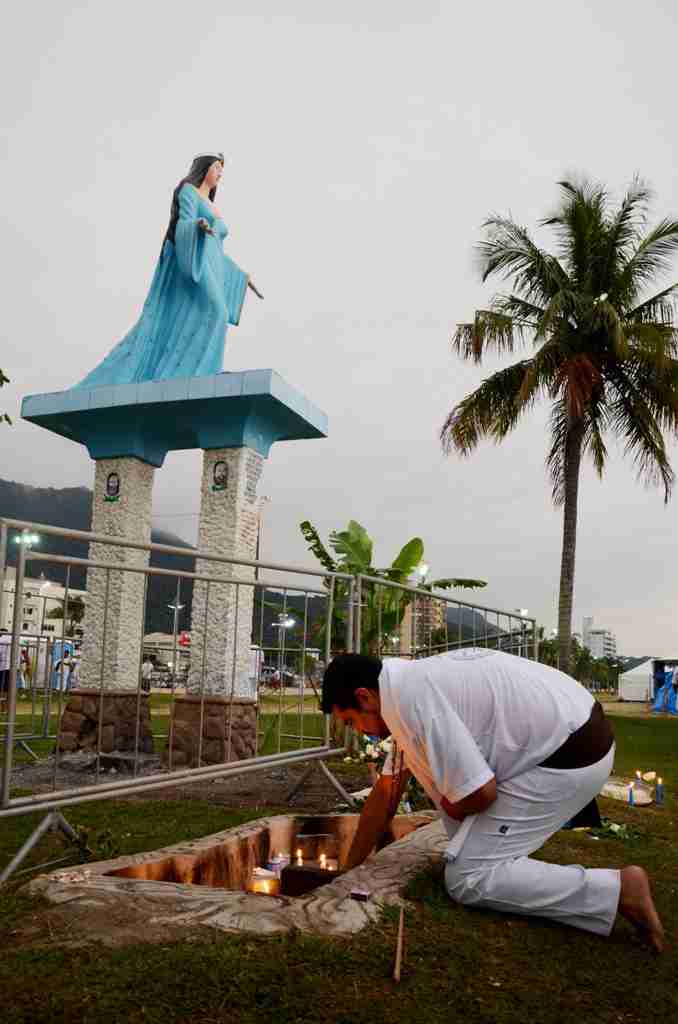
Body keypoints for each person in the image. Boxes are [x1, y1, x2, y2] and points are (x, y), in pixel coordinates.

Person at [322, 650, 664, 952]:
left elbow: (480, 796)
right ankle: (505, 861)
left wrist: (455, 803)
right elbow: (386, 792)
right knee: (460, 836)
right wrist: (350, 870)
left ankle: (617, 890)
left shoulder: (412, 699)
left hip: (570, 753)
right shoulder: (404, 688)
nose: (362, 732)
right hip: (571, 735)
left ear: (364, 696)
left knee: (467, 877)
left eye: (352, 721)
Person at [76, 152, 263, 388]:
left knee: (215, 314)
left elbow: (216, 247)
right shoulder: (188, 191)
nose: (220, 174)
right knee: (218, 311)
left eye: (221, 170)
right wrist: (195, 226)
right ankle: (190, 373)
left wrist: (240, 277)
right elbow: (182, 224)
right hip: (195, 258)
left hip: (212, 263)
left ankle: (204, 371)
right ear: (204, 168)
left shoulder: (213, 207)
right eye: (217, 168)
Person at [0, 629, 12, 694]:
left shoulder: (1, 640)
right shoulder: (13, 639)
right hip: (14, 667)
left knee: (3, 686)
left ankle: (3, 702)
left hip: (3, 666)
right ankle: (8, 702)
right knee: (10, 687)